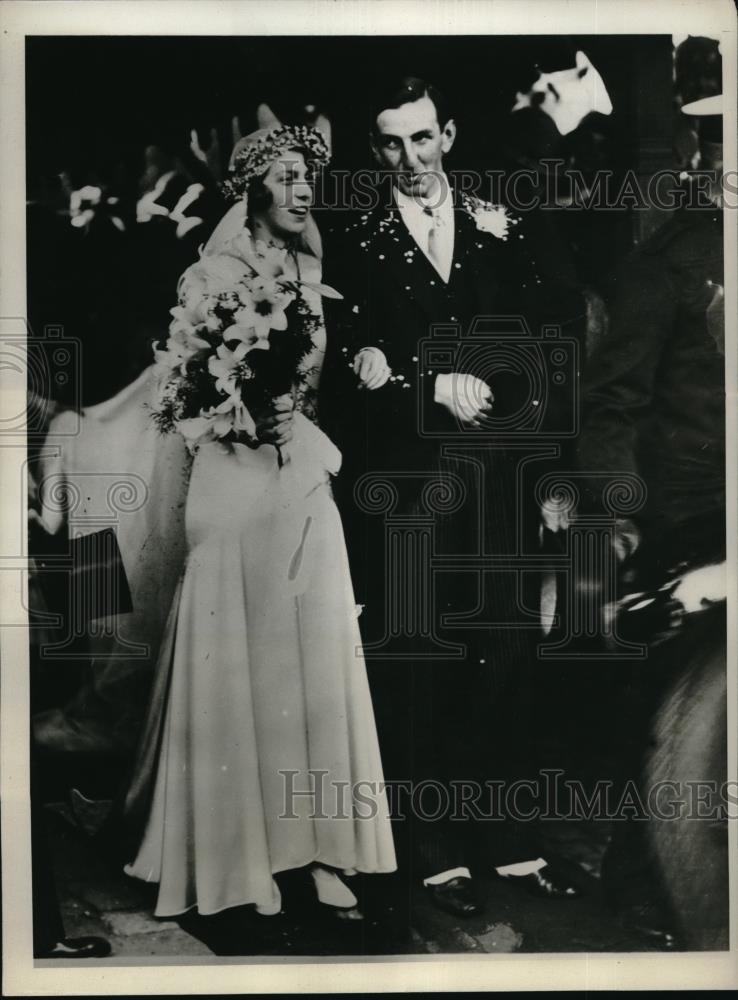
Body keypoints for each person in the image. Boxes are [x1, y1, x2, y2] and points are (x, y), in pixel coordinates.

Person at [119, 124, 396, 922]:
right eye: (282, 174)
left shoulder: (313, 269)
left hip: (298, 473)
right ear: (252, 190)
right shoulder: (213, 272)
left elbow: (317, 372)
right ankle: (234, 852)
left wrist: (348, 373)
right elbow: (192, 389)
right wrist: (253, 410)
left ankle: (311, 849)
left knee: (305, 666)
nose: (300, 186)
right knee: (238, 655)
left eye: (306, 172)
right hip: (235, 481)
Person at [321, 76, 583, 917]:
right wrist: (427, 386)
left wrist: (552, 478)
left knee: (503, 655)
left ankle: (504, 838)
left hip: (503, 482)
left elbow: (550, 346)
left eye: (424, 138)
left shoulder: (502, 229)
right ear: (375, 150)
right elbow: (339, 380)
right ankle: (430, 851)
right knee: (418, 662)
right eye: (392, 143)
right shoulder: (354, 244)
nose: (411, 158)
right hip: (409, 491)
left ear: (451, 134)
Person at [574, 94, 726, 948]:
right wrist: (620, 521)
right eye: (719, 149)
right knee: (667, 718)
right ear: (698, 154)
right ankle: (643, 892)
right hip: (687, 526)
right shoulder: (664, 265)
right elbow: (613, 405)